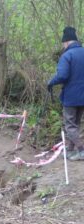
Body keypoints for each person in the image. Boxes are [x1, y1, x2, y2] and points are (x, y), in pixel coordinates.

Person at [48, 27, 84, 161]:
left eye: (63, 43)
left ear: (67, 42)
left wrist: (51, 82)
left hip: (71, 97)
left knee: (69, 125)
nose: (63, 46)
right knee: (75, 124)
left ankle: (81, 150)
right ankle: (70, 151)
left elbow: (62, 76)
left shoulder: (67, 55)